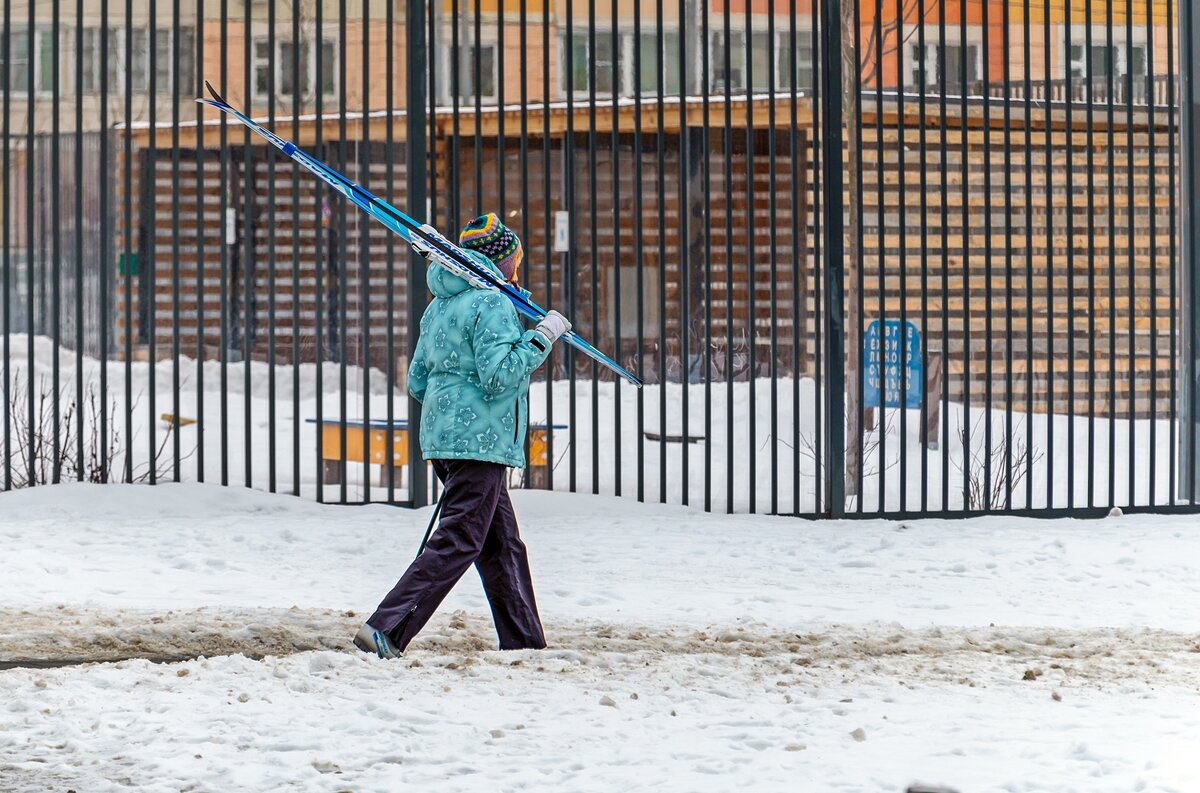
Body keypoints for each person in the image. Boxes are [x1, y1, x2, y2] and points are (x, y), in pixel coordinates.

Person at [353, 213, 571, 658]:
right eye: (516, 260)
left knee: (501, 544)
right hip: (480, 443)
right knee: (460, 539)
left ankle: (524, 641)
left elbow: (417, 381)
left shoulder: (439, 305)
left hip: (446, 441)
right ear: (504, 261)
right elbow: (500, 375)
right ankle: (386, 628)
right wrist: (543, 337)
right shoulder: (492, 303)